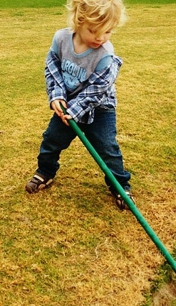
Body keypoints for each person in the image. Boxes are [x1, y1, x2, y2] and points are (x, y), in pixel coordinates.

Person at [25, 0, 135, 210]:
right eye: (94, 30)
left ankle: (120, 185)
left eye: (108, 31)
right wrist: (56, 95)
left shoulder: (105, 55)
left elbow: (98, 89)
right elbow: (52, 66)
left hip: (99, 109)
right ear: (79, 21)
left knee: (107, 148)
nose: (100, 37)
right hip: (66, 106)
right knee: (52, 140)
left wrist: (75, 110)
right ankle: (45, 172)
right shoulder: (62, 39)